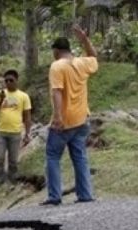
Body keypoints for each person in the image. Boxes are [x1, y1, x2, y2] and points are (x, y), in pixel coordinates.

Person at [42, 24, 98, 205]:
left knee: (52, 155)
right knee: (80, 156)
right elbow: (94, 57)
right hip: (82, 119)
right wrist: (84, 40)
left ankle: (54, 196)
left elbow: (57, 91)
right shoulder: (82, 63)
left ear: (56, 51)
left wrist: (57, 117)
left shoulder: (57, 66)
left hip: (65, 121)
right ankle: (85, 194)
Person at [0, 69, 32, 184]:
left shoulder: (23, 96)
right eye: (6, 80)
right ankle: (0, 181)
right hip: (1, 132)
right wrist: (2, 100)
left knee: (13, 160)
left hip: (15, 132)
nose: (8, 82)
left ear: (16, 81)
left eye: (11, 80)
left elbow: (27, 116)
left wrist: (27, 133)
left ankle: (12, 180)